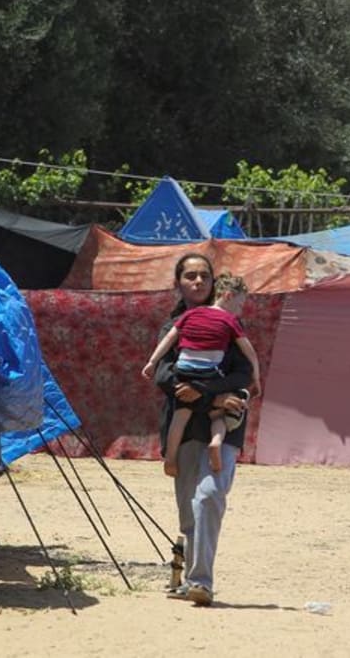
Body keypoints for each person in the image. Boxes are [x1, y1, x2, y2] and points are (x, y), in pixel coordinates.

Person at [153, 253, 253, 607]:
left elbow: (245, 372)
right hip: (184, 427)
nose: (197, 281)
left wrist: (210, 392)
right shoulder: (174, 325)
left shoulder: (229, 323)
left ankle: (200, 582)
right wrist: (205, 392)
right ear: (178, 283)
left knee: (208, 497)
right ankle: (186, 575)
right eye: (190, 276)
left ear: (214, 283)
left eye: (204, 276)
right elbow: (162, 372)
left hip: (223, 425)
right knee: (188, 510)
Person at [142, 273, 260, 477]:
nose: (240, 310)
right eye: (240, 304)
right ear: (228, 296)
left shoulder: (191, 314)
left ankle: (170, 458)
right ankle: (216, 441)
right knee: (218, 414)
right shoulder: (230, 320)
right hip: (209, 372)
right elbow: (249, 352)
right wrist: (256, 376)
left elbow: (170, 338)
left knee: (179, 418)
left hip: (183, 371)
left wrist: (152, 362)